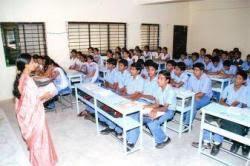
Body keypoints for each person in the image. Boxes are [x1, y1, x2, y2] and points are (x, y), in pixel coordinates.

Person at [13, 53, 58, 166]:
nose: (36, 63)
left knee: (40, 139)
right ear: (26, 65)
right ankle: (43, 162)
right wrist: (46, 95)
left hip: (30, 113)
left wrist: (40, 95)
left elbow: (26, 99)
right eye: (33, 62)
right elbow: (32, 101)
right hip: (33, 117)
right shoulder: (27, 81)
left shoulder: (24, 77)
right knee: (40, 139)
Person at [192, 70, 249, 157]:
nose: (236, 80)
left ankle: (217, 143)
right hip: (226, 108)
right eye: (236, 78)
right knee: (208, 116)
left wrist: (228, 108)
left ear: (244, 81)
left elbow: (238, 104)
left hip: (237, 112)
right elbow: (221, 100)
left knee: (220, 122)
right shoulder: (229, 87)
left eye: (239, 78)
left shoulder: (246, 90)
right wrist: (226, 107)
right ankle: (206, 141)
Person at [143, 70, 176, 148]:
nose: (158, 80)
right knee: (143, 113)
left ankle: (164, 139)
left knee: (152, 123)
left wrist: (154, 110)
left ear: (167, 80)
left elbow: (165, 108)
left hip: (169, 110)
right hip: (160, 107)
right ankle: (155, 130)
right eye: (158, 78)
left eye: (161, 79)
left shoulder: (171, 91)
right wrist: (147, 106)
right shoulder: (158, 89)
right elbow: (157, 104)